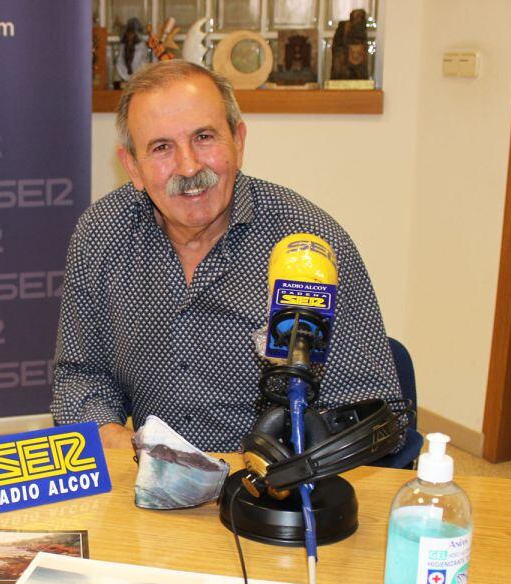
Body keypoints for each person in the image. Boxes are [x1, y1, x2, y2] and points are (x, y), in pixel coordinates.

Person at [50, 60, 399, 451]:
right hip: (148, 473)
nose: (189, 166)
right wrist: (125, 446)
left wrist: (285, 465)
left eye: (203, 137)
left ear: (238, 141)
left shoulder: (308, 245)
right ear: (133, 167)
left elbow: (372, 414)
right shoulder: (102, 234)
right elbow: (80, 376)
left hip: (274, 479)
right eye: (162, 148)